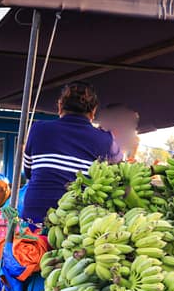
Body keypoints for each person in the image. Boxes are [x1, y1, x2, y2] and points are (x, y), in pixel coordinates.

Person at [21, 82, 120, 225]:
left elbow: (28, 171)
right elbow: (117, 174)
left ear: (60, 106)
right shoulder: (106, 140)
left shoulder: (38, 129)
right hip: (78, 223)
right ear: (93, 111)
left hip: (34, 217)